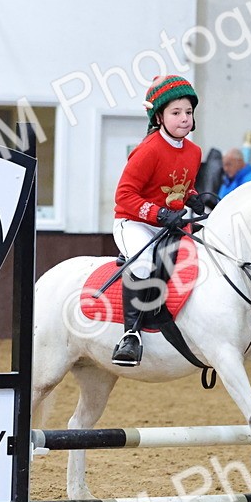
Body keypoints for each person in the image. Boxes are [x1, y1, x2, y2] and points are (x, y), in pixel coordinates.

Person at [110, 75, 205, 367]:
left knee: (207, 250)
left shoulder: (194, 151)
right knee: (144, 261)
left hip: (169, 223)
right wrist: (159, 214)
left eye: (188, 112)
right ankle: (131, 336)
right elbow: (124, 196)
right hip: (133, 223)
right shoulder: (148, 149)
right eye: (176, 113)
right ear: (159, 117)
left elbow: (176, 184)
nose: (184, 119)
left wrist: (193, 196)